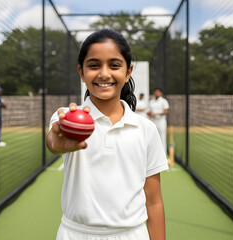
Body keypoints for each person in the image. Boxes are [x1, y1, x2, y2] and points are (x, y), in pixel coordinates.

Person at [46, 29, 168, 240]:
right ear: (81, 72)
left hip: (133, 234)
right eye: (94, 65)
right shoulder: (65, 119)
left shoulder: (146, 129)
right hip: (76, 234)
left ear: (128, 72)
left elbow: (154, 200)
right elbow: (54, 142)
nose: (104, 73)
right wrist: (58, 142)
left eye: (114, 65)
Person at [147, 88, 170, 152]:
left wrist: (157, 114)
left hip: (161, 121)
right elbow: (147, 111)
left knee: (162, 137)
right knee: (152, 136)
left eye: (158, 92)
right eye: (155, 92)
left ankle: (163, 153)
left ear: (161, 93)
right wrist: (150, 114)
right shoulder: (151, 102)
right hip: (153, 121)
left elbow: (166, 111)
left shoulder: (164, 101)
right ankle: (153, 152)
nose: (156, 93)